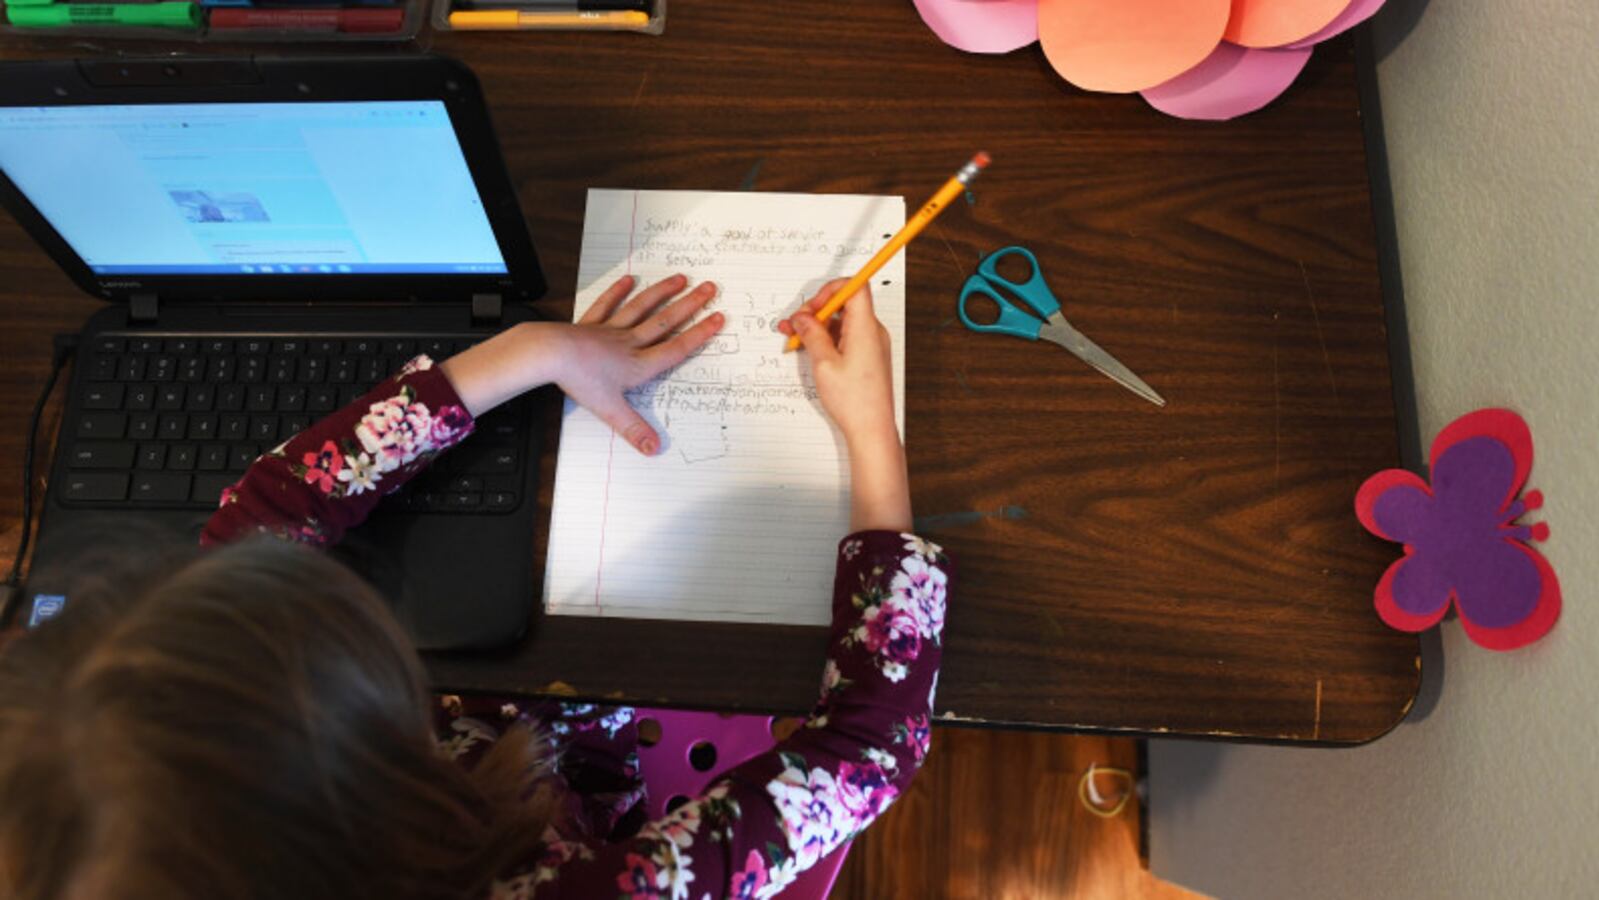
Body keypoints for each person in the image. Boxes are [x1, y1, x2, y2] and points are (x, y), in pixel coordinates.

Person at [0, 274, 950, 900]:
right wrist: (874, 432)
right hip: (558, 800)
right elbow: (871, 749)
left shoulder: (135, 793)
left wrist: (535, 350)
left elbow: (271, 505)